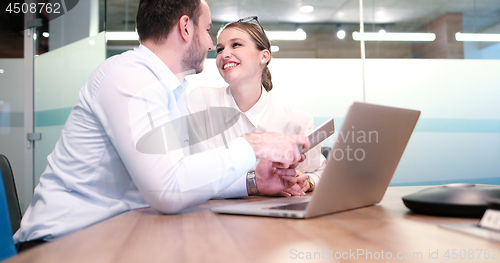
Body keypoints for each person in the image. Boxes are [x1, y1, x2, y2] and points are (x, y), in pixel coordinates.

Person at [13, 0, 310, 250]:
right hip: (60, 242)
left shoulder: (170, 90)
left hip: (114, 233)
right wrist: (254, 145)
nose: (210, 45)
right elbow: (168, 191)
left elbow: (183, 176)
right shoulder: (130, 77)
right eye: (207, 31)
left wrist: (253, 182)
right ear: (184, 28)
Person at [188, 17, 326, 196]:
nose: (224, 54)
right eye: (220, 49)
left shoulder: (297, 120)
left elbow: (319, 172)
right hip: (212, 217)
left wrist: (307, 181)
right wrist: (255, 182)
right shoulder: (201, 102)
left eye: (236, 44)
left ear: (264, 56)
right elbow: (192, 174)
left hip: (277, 218)